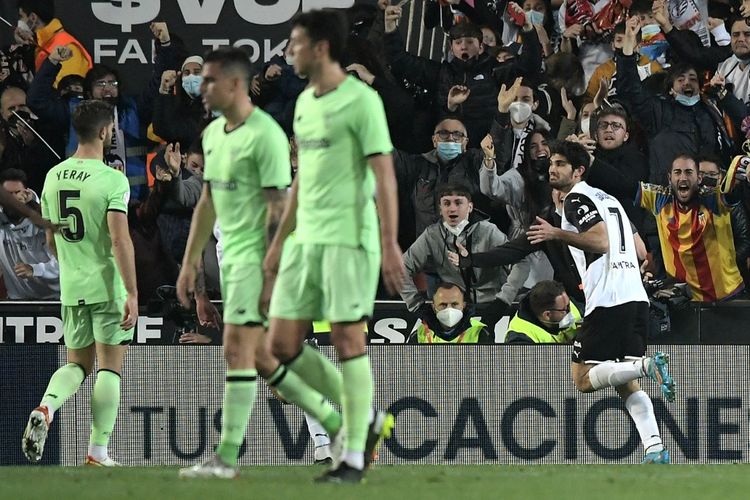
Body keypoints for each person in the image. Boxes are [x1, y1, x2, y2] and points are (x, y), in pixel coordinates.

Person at [175, 48, 341, 479]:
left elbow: (279, 210)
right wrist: (193, 271)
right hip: (235, 268)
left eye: (209, 81)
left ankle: (227, 458)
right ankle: (347, 427)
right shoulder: (213, 136)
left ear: (233, 84)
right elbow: (209, 204)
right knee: (266, 358)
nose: (202, 89)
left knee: (251, 354)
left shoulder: (265, 134)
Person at [264, 10, 405, 483]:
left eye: (296, 44)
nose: (290, 52)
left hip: (350, 237)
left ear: (320, 48)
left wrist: (389, 243)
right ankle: (362, 418)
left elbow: (384, 173)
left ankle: (352, 459)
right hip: (308, 239)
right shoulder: (304, 102)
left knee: (347, 339)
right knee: (280, 344)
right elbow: (304, 179)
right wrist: (281, 240)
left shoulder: (361, 100)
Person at [526, 140, 675, 464]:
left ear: (579, 171)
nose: (553, 168)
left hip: (609, 301)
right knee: (624, 380)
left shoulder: (577, 198)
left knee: (582, 379)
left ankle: (645, 366)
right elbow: (639, 253)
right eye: (552, 162)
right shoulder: (610, 201)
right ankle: (655, 449)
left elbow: (600, 241)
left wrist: (556, 233)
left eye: (562, 164)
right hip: (635, 298)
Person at [22, 100, 138, 466]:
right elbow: (120, 240)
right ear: (105, 132)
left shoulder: (53, 176)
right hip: (107, 285)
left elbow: (49, 241)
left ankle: (47, 405)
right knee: (108, 368)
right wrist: (132, 291)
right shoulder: (113, 179)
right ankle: (98, 451)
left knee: (76, 365)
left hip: (72, 288)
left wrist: (74, 267)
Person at [400, 183, 527, 318]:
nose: (452, 209)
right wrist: (416, 305)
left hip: (490, 306)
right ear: (440, 209)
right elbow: (401, 268)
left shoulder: (489, 231)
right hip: (454, 309)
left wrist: (503, 300)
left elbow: (521, 263)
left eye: (458, 203)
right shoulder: (432, 235)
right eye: (446, 203)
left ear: (470, 207)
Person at [638, 153, 746, 302]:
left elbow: (731, 194)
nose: (683, 177)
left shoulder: (715, 200)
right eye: (678, 172)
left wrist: (738, 177)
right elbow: (624, 186)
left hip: (727, 296)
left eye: (689, 172)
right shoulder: (660, 200)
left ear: (698, 179)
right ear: (670, 178)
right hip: (686, 299)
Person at [0, 168, 59, 300]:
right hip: (17, 302)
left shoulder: (44, 222)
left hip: (53, 301)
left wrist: (34, 269)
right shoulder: (2, 222)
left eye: (17, 192)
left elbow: (64, 265)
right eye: (8, 194)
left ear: (26, 193)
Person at [16, 0, 92, 86]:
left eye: (21, 17)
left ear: (33, 18)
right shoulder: (40, 44)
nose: (19, 21)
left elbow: (63, 91)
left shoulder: (67, 47)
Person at [406, 282, 493, 344]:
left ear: (463, 305)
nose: (449, 309)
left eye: (454, 304)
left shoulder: (480, 332)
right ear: (433, 307)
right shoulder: (419, 335)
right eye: (443, 305)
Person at [505, 280, 581, 344]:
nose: (570, 312)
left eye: (568, 305)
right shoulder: (520, 338)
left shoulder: (562, 303)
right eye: (566, 310)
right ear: (547, 315)